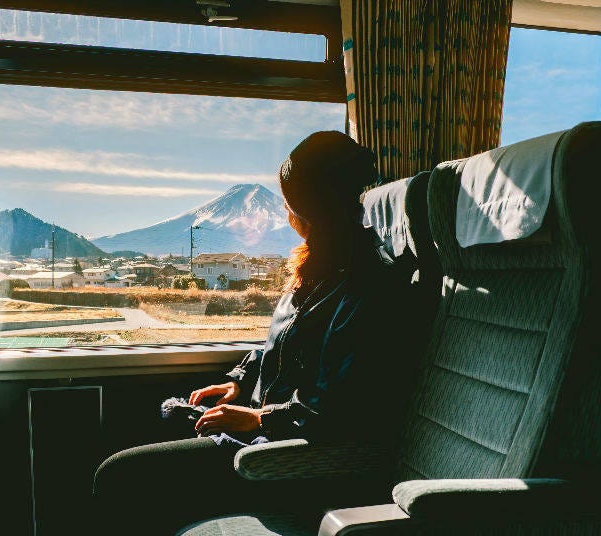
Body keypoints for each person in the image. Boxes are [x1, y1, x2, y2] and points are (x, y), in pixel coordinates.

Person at [93, 131, 418, 533]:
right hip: (265, 432)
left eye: (290, 203)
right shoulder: (319, 268)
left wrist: (258, 418)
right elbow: (282, 344)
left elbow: (338, 406)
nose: (285, 212)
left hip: (286, 459)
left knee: (118, 476)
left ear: (311, 209)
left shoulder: (369, 287)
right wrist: (239, 381)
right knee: (130, 423)